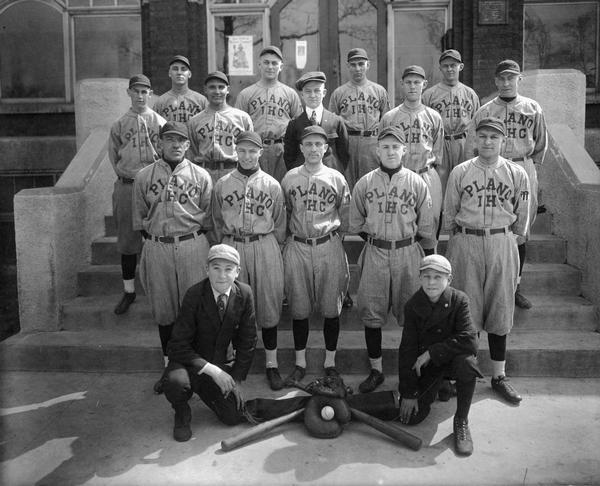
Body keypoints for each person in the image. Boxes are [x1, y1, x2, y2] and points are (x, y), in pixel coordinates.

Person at [444, 117, 530, 405]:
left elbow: (523, 217)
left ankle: (498, 376)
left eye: (494, 137)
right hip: (466, 240)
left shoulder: (516, 173)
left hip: (501, 241)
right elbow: (449, 213)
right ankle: (462, 374)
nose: (488, 142)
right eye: (483, 136)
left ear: (503, 141)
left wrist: (510, 240)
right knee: (466, 310)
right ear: (475, 139)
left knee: (499, 307)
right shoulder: (460, 172)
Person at [350, 127, 434, 393]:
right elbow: (356, 222)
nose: (390, 151)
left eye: (395, 147)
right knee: (371, 314)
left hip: (408, 252)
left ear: (404, 151)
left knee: (412, 315)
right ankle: (376, 370)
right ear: (377, 150)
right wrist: (378, 241)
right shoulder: (364, 182)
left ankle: (410, 368)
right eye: (385, 147)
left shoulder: (417, 182)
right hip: (375, 251)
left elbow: (426, 225)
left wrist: (404, 244)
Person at [132, 121, 213, 394]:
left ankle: (197, 368)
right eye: (170, 139)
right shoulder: (144, 176)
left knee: (196, 310)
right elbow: (139, 217)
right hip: (158, 245)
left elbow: (208, 217)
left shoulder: (201, 176)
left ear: (189, 145)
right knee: (165, 311)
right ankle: (170, 367)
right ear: (160, 142)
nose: (176, 145)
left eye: (181, 140)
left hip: (192, 243)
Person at [466, 60, 547, 310]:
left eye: (511, 78)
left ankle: (515, 287)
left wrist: (529, 171)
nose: (506, 82)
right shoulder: (485, 110)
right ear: (495, 81)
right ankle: (489, 283)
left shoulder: (532, 107)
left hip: (522, 166)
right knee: (493, 222)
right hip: (492, 169)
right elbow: (473, 144)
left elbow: (541, 143)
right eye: (501, 78)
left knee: (520, 229)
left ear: (519, 79)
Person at [212, 131, 287, 391]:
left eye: (252, 151)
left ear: (260, 153)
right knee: (233, 305)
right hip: (233, 245)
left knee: (268, 302)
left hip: (264, 243)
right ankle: (234, 362)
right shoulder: (222, 184)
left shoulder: (272, 184)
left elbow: (279, 222)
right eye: (242, 150)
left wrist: (270, 246)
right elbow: (216, 221)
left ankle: (271, 364)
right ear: (235, 151)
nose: (246, 156)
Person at [280, 125, 351, 385]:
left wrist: (332, 240)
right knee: (299, 308)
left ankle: (330, 362)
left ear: (326, 148)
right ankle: (300, 364)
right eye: (308, 144)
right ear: (300, 147)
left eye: (318, 144)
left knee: (331, 308)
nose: (313, 149)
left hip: (328, 243)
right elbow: (284, 213)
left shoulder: (336, 177)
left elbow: (345, 216)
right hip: (297, 245)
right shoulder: (289, 178)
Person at [398, 254, 483, 456]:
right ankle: (440, 387)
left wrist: (431, 352)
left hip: (450, 361)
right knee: (411, 418)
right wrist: (409, 393)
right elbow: (407, 349)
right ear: (419, 278)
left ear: (449, 279)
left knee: (467, 363)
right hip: (430, 368)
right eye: (426, 276)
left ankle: (461, 421)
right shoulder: (412, 305)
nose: (431, 282)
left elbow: (470, 340)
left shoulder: (459, 300)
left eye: (438, 277)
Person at [108, 74, 166, 315]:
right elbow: (114, 157)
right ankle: (129, 291)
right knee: (128, 240)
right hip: (128, 185)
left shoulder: (160, 122)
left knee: (159, 236)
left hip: (154, 186)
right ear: (129, 93)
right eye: (136, 91)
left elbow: (168, 155)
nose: (140, 96)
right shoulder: (119, 124)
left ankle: (161, 289)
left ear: (150, 94)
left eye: (145, 91)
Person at [379, 65, 444, 253]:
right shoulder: (390, 117)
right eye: (408, 82)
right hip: (401, 177)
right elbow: (384, 153)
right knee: (402, 225)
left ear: (424, 84)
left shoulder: (433, 117)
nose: (412, 86)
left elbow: (438, 156)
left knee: (430, 226)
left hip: (426, 173)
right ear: (402, 85)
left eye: (417, 82)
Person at [234, 46, 303, 182]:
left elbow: (298, 127)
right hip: (255, 149)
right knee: (256, 188)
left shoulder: (290, 94)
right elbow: (238, 128)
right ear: (259, 65)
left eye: (274, 63)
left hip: (282, 149)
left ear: (281, 67)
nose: (270, 67)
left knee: (282, 187)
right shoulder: (246, 94)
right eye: (266, 62)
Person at [328, 48, 390, 188]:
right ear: (348, 66)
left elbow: (386, 123)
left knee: (371, 185)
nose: (357, 68)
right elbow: (331, 124)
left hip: (371, 142)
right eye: (353, 64)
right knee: (347, 185)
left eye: (361, 64)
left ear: (368, 65)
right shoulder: (339, 93)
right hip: (347, 142)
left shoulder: (379, 91)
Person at [422, 49, 480, 192]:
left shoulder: (470, 94)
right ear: (440, 68)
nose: (449, 69)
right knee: (440, 187)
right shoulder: (430, 94)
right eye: (445, 66)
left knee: (466, 184)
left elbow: (477, 125)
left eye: (453, 65)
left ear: (460, 67)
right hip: (441, 143)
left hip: (463, 143)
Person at [187, 71, 253, 183]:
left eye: (221, 87)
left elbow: (251, 150)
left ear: (227, 89)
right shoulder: (195, 121)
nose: (217, 91)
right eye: (212, 87)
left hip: (233, 171)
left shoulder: (242, 118)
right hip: (204, 172)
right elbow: (191, 153)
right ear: (205, 90)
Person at [283, 71, 350, 174]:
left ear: (324, 93)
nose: (312, 95)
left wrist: (336, 170)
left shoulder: (336, 121)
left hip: (330, 174)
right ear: (302, 94)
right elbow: (289, 156)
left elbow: (344, 154)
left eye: (317, 91)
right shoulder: (295, 123)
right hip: (303, 176)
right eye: (308, 91)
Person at [153, 55, 207, 123]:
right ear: (169, 73)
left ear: (189, 74)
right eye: (175, 69)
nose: (179, 72)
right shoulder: (160, 102)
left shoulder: (201, 101)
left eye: (183, 69)